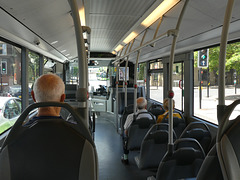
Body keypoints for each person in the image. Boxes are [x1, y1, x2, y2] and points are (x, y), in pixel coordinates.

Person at [121, 97, 155, 164]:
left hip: (133, 140)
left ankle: (125, 158)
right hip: (147, 140)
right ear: (145, 106)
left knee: (124, 134)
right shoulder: (152, 117)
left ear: (136, 106)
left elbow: (126, 129)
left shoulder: (131, 116)